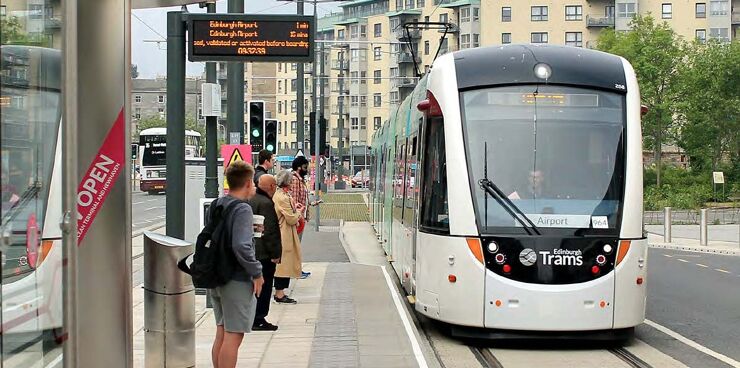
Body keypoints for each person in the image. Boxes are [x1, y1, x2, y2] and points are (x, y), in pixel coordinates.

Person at [210, 161, 265, 368]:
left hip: (216, 275)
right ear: (248, 183)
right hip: (235, 277)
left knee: (222, 332)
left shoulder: (218, 203)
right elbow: (241, 246)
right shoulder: (242, 209)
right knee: (234, 336)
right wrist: (257, 272)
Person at [246, 174, 281, 331]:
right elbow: (270, 231)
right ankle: (259, 318)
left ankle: (252, 316)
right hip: (263, 253)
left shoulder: (251, 199)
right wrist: (275, 253)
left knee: (253, 287)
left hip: (251, 251)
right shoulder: (266, 203)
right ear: (272, 187)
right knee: (264, 286)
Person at [273, 169, 304, 304]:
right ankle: (279, 293)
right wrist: (298, 212)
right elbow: (291, 218)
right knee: (284, 264)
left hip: (285, 232)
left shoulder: (282, 195)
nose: (292, 183)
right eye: (291, 181)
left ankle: (281, 292)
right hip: (284, 233)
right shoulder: (282, 197)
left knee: (285, 263)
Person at [290, 156, 312, 279]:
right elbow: (294, 199)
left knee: (297, 246)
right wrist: (297, 216)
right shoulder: (295, 180)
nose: (306, 169)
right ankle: (295, 271)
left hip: (301, 217)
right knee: (295, 246)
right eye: (305, 167)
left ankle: (296, 269)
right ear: (299, 167)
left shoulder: (300, 180)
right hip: (298, 218)